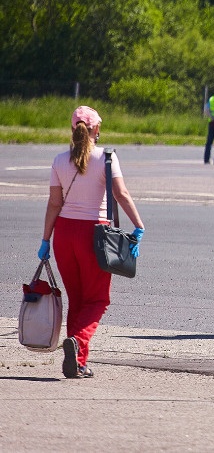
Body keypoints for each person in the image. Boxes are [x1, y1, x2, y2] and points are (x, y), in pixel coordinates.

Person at [40, 106, 145, 378]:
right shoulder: (106, 158)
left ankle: (79, 361)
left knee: (77, 298)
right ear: (96, 129)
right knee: (98, 299)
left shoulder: (60, 160)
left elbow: (54, 203)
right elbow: (120, 194)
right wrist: (139, 225)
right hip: (94, 236)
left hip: (64, 233)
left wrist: (45, 239)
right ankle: (78, 342)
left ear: (73, 128)